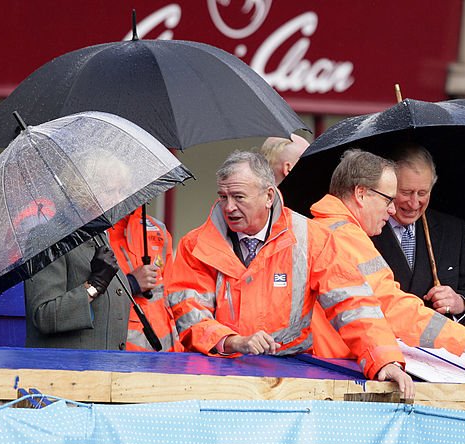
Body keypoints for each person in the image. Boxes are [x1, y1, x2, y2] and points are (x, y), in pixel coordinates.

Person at [166, 150, 414, 397]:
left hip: (291, 382)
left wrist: (383, 360)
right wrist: (231, 341)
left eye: (239, 197)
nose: (229, 207)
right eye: (223, 196)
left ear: (268, 196)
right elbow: (189, 315)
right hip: (217, 379)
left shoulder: (312, 238)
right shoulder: (195, 245)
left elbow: (352, 303)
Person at [309, 149, 465, 366]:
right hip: (337, 364)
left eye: (422, 193)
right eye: (393, 197)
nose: (392, 209)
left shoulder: (321, 229)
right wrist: (461, 339)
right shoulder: (347, 237)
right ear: (361, 193)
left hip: (330, 360)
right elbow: (389, 304)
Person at [24, 150, 134, 350]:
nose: (120, 199)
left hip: (106, 373)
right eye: (110, 191)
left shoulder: (100, 234)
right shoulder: (48, 237)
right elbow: (45, 316)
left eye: (122, 191)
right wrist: (94, 286)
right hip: (67, 373)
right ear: (82, 192)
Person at [371, 144, 465, 330]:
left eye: (422, 193)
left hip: (438, 350)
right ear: (389, 187)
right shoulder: (366, 228)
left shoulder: (452, 230)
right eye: (406, 192)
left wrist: (459, 303)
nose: (414, 203)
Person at [25, 239, 130, 350]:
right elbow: (44, 316)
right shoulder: (46, 240)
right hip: (66, 365)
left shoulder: (99, 238)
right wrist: (95, 286)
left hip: (107, 364)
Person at [106, 209, 182, 352]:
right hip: (121, 356)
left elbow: (172, 292)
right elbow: (87, 296)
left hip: (168, 353)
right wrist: (131, 284)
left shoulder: (158, 228)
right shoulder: (93, 234)